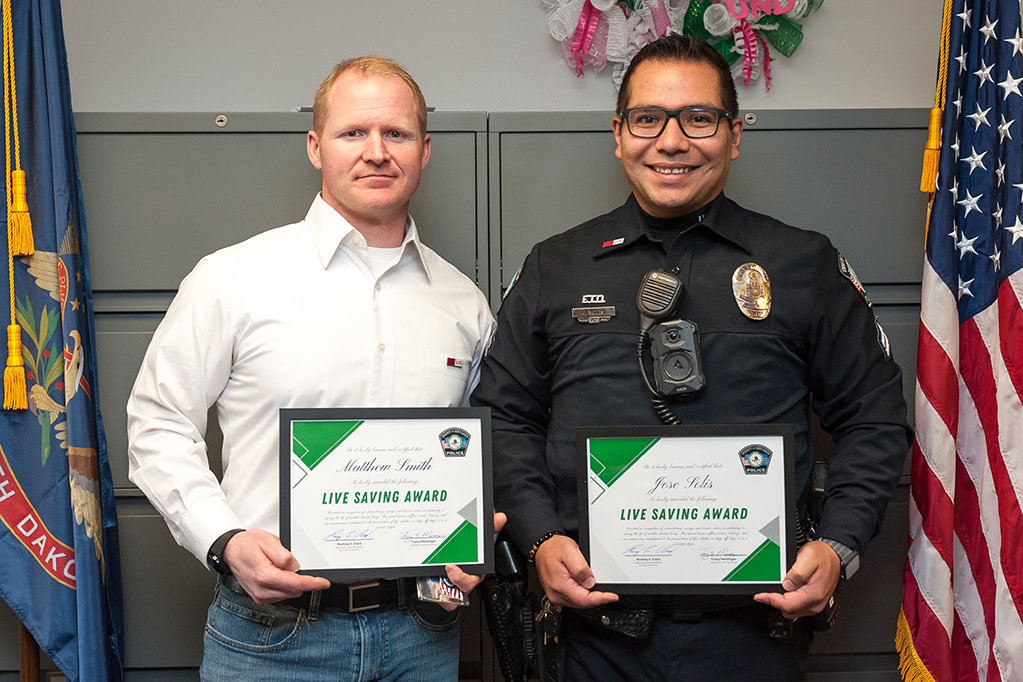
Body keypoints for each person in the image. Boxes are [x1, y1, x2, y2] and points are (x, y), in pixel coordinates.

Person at [471, 34, 911, 681]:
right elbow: (504, 418)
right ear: (619, 134)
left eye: (697, 118)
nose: (671, 141)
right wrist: (539, 538)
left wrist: (837, 544)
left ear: (733, 134)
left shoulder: (802, 264)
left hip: (755, 636)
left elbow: (873, 420)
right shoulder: (553, 267)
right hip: (592, 640)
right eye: (648, 118)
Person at [127, 56, 498, 681]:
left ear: (424, 150)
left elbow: (479, 451)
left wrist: (475, 534)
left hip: (423, 635)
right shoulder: (234, 278)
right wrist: (224, 539)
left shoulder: (464, 302)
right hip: (273, 640)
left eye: (397, 134)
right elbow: (158, 423)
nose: (376, 152)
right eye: (353, 132)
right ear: (314, 145)